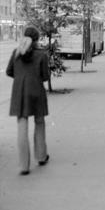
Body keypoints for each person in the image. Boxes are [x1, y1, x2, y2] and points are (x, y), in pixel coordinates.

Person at [6, 25, 50, 175]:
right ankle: (41, 156)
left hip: (20, 93)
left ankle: (24, 166)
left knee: (22, 127)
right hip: (37, 91)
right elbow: (45, 76)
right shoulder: (41, 55)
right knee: (39, 123)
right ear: (37, 40)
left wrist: (20, 79)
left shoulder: (16, 53)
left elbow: (9, 71)